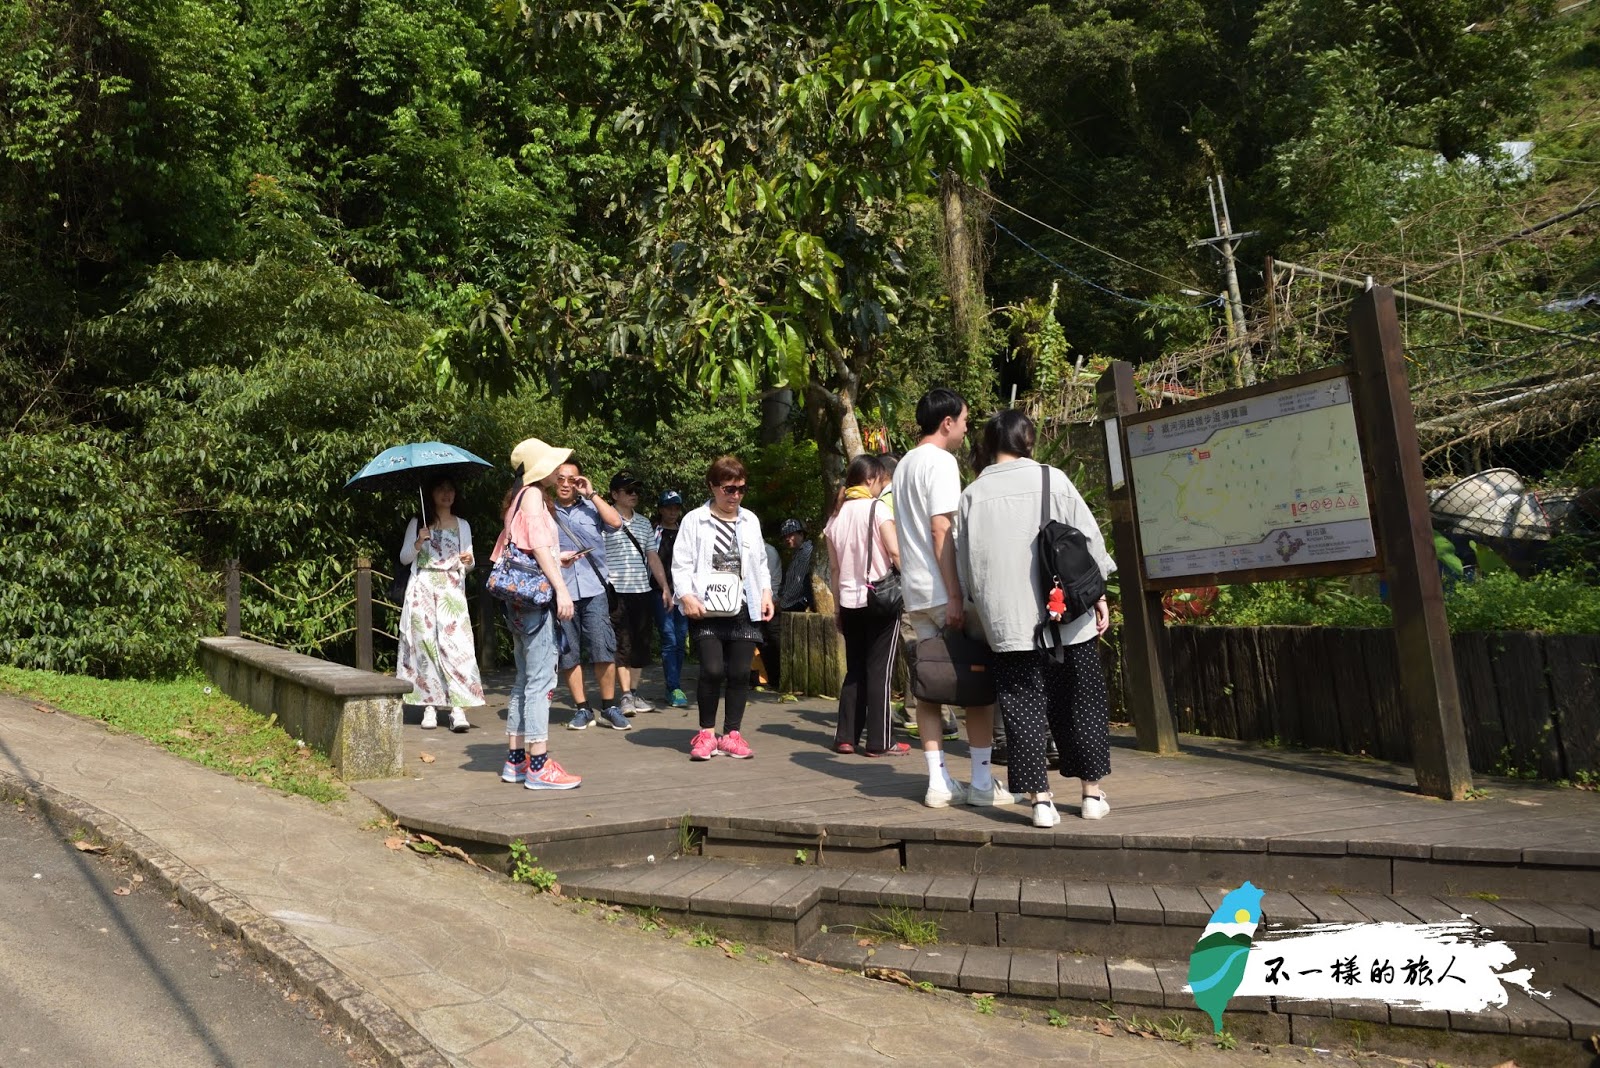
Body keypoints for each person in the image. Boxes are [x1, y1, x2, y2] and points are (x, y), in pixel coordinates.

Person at [958, 410, 1114, 827]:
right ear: (1027, 439)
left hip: (1007, 624)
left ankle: (1041, 801)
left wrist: (982, 612)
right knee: (1082, 701)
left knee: (1022, 708)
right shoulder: (1053, 478)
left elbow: (966, 570)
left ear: (990, 443)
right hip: (1065, 614)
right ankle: (1091, 795)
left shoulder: (972, 494)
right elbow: (1088, 542)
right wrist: (1097, 596)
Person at [891, 387, 1013, 809]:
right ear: (946, 423)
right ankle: (981, 783)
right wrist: (958, 594)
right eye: (963, 420)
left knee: (930, 686)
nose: (965, 429)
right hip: (945, 590)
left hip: (916, 591)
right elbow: (942, 529)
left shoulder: (903, 463)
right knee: (975, 679)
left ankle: (938, 783)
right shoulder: (941, 461)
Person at [490, 438, 584, 790]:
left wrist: (555, 558)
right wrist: (561, 588)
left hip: (516, 602)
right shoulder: (532, 496)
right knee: (542, 681)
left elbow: (518, 550)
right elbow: (540, 548)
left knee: (523, 679)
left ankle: (516, 761)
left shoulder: (516, 499)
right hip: (535, 602)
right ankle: (539, 765)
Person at [671, 456, 775, 760]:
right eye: (729, 489)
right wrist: (685, 595)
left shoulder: (750, 520)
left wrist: (766, 593)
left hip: (743, 605)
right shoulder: (694, 520)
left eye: (741, 489)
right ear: (713, 487)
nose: (735, 496)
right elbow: (681, 563)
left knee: (742, 672)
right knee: (713, 669)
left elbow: (760, 563)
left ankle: (732, 734)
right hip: (706, 606)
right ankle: (706, 734)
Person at [824, 455, 910, 757]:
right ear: (872, 479)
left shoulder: (835, 518)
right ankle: (880, 740)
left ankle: (845, 737)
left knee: (855, 670)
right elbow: (896, 554)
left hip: (848, 603)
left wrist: (836, 608)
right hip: (880, 600)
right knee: (880, 670)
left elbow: (834, 571)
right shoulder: (878, 510)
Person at [397, 477, 486, 732]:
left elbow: (467, 564)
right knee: (424, 644)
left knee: (456, 646)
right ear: (431, 493)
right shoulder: (418, 523)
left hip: (451, 589)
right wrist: (418, 542)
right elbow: (404, 558)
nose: (447, 494)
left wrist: (467, 560)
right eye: (441, 489)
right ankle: (429, 706)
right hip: (423, 585)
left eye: (451, 489)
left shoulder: (462, 524)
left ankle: (458, 708)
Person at [548, 460, 630, 731]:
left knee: (603, 647)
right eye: (560, 478)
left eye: (571, 479)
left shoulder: (592, 508)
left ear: (579, 481)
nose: (565, 484)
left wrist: (592, 493)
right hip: (562, 591)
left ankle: (609, 706)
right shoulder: (545, 511)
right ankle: (582, 709)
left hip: (594, 588)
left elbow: (616, 523)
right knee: (569, 652)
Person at [603, 471, 672, 714]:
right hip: (616, 590)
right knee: (621, 644)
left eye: (636, 491)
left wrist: (664, 587)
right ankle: (624, 696)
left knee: (641, 645)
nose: (634, 495)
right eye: (628, 490)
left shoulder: (643, 523)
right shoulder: (602, 520)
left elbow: (652, 556)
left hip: (642, 589)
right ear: (614, 494)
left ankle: (632, 692)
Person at [653, 490, 690, 708]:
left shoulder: (685, 531)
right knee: (669, 639)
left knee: (680, 638)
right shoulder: (654, 532)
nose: (672, 512)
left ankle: (675, 685)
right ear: (660, 509)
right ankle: (673, 687)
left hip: (683, 593)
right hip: (659, 593)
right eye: (668, 507)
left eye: (676, 507)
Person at [777, 519, 814, 612]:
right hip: (791, 602)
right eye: (784, 536)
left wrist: (782, 602)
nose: (787, 539)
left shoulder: (806, 552)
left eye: (790, 535)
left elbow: (798, 584)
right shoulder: (797, 554)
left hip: (798, 604)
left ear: (801, 534)